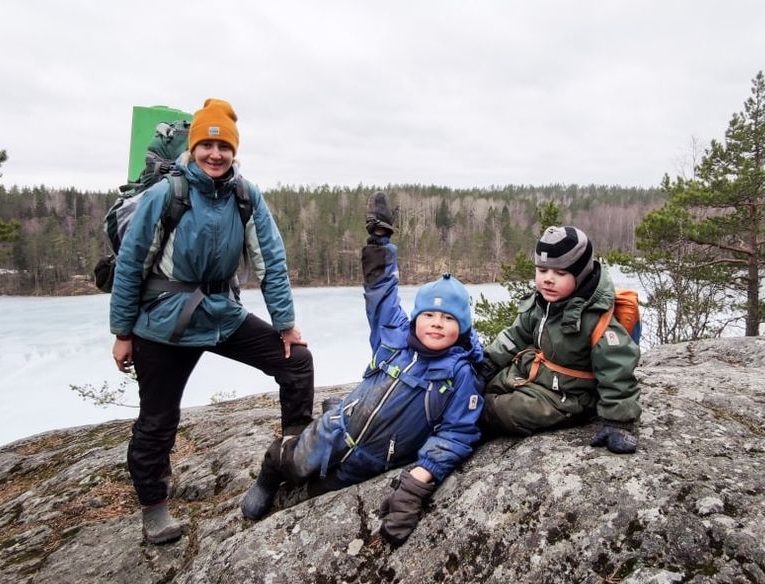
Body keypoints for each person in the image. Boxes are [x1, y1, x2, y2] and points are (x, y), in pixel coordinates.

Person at [109, 98, 314, 545]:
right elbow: (131, 265)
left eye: (224, 148)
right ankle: (154, 509)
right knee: (157, 421)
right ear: (194, 147)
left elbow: (271, 262)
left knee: (296, 362)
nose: (215, 155)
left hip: (222, 313)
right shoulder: (168, 194)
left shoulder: (246, 195)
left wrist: (285, 325)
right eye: (207, 145)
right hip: (164, 323)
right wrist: (122, 332)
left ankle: (292, 459)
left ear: (234, 152)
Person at [240, 192, 484, 547]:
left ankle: (303, 484)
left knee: (317, 495)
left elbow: (456, 434)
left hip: (373, 460)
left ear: (461, 327)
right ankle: (267, 477)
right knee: (292, 461)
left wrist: (418, 482)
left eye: (448, 318)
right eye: (429, 315)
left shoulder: (459, 375)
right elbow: (381, 291)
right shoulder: (394, 335)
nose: (436, 323)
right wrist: (379, 242)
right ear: (416, 318)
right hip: (336, 429)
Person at [477, 225, 640, 454]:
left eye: (560, 273)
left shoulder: (596, 318)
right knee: (476, 386)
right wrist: (489, 362)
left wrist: (617, 422)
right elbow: (516, 335)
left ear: (581, 274)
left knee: (504, 410)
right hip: (536, 375)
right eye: (542, 270)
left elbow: (617, 370)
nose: (548, 280)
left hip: (570, 395)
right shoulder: (542, 303)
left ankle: (470, 430)